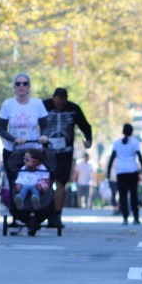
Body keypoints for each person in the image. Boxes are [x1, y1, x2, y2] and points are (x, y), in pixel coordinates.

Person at [43, 88, 93, 224]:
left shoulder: (73, 109)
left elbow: (86, 126)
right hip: (46, 152)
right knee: (45, 182)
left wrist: (88, 140)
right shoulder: (43, 106)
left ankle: (57, 214)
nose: (59, 105)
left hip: (65, 152)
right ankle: (44, 210)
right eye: (57, 103)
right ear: (53, 98)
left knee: (61, 183)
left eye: (62, 103)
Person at [0, 73, 48, 189]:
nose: (21, 86)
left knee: (35, 180)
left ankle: (35, 197)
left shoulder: (37, 104)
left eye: (25, 84)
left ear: (29, 86)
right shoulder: (8, 104)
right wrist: (14, 139)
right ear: (14, 87)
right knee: (14, 183)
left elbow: (45, 126)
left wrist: (44, 136)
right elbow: (2, 130)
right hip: (13, 150)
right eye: (18, 84)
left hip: (34, 150)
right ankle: (15, 198)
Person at [107, 123, 142, 225]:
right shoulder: (135, 142)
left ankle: (125, 218)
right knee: (133, 195)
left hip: (120, 171)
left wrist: (108, 171)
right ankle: (136, 218)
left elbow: (112, 157)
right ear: (131, 132)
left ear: (123, 131)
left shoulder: (117, 143)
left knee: (123, 195)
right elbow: (139, 157)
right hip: (132, 171)